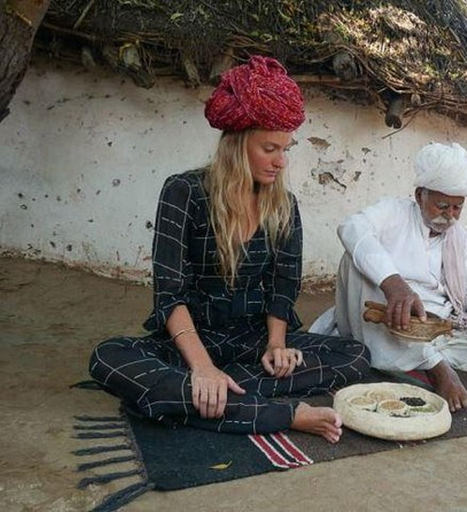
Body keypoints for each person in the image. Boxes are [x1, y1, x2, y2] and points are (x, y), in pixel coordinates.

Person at [89, 55, 370, 443]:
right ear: (237, 146)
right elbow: (169, 294)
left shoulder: (284, 206)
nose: (281, 161)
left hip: (253, 342)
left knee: (355, 355)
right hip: (192, 339)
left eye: (286, 148)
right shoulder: (183, 192)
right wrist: (201, 367)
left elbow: (283, 287)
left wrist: (276, 345)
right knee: (108, 358)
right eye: (270, 148)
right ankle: (279, 411)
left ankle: (202, 397)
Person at [311, 142, 467, 412]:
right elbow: (352, 227)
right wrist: (393, 284)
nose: (450, 216)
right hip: (387, 314)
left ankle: (417, 355)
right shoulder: (394, 212)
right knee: (355, 262)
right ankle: (436, 368)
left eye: (457, 208)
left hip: (436, 327)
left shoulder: (461, 240)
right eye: (441, 205)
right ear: (419, 195)